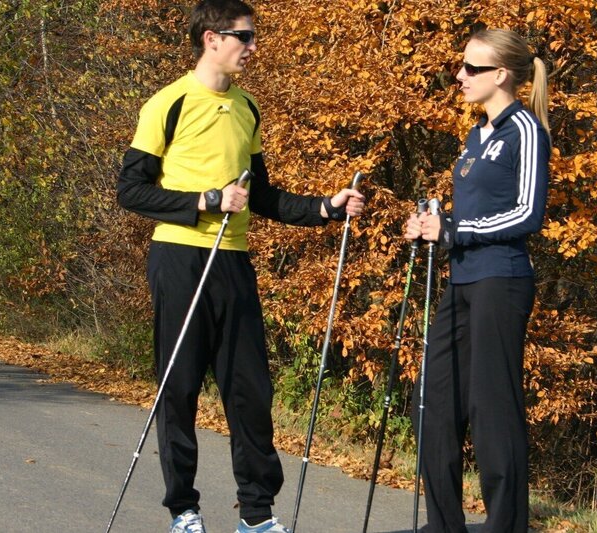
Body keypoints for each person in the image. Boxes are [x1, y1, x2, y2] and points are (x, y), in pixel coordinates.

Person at [116, 1, 365, 532]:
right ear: (212, 38)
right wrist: (205, 199)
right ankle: (183, 510)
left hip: (233, 262)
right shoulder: (168, 104)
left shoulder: (248, 107)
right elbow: (131, 191)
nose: (253, 46)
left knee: (251, 392)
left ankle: (256, 516)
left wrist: (324, 207)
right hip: (180, 258)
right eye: (244, 37)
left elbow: (263, 196)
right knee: (179, 389)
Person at [404, 28, 550, 533]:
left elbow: (528, 214)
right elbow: (464, 218)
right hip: (462, 280)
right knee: (433, 401)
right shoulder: (475, 135)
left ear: (501, 75)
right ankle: (445, 525)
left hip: (501, 281)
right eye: (460, 67)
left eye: (471, 68)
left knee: (492, 409)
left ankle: (505, 526)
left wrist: (456, 229)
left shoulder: (525, 130)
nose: (459, 76)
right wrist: (431, 225)